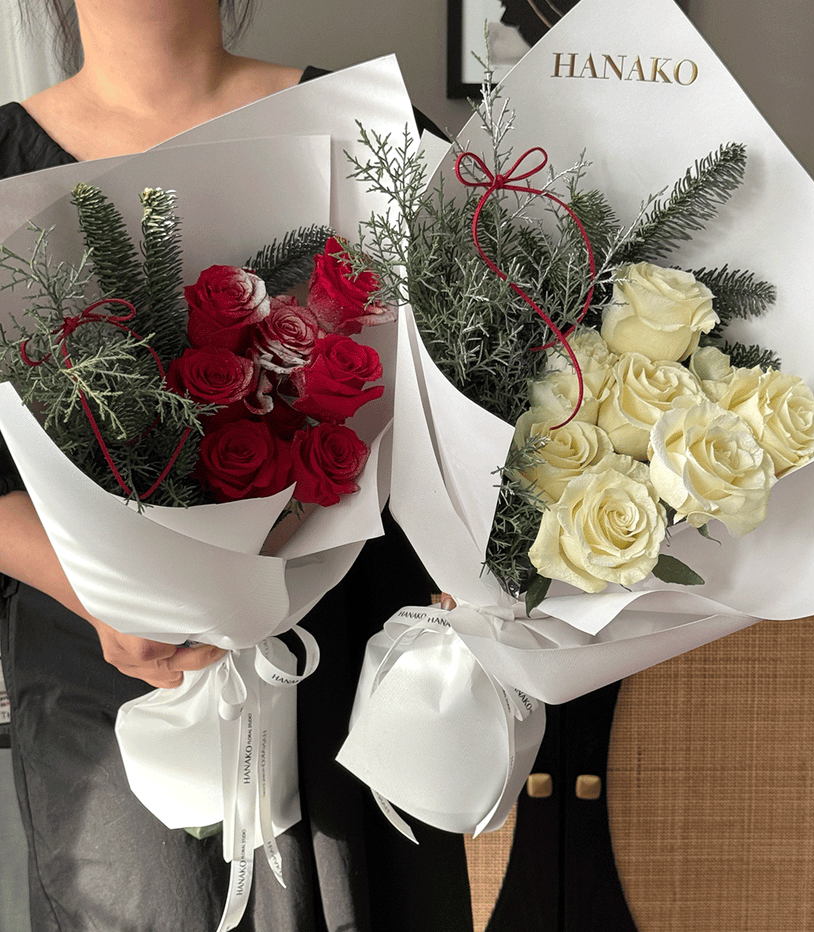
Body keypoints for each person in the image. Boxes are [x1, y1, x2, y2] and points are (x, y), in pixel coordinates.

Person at [0, 2, 473, 930]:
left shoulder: (370, 129)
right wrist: (95, 586)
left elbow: (469, 387)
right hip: (115, 665)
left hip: (344, 644)